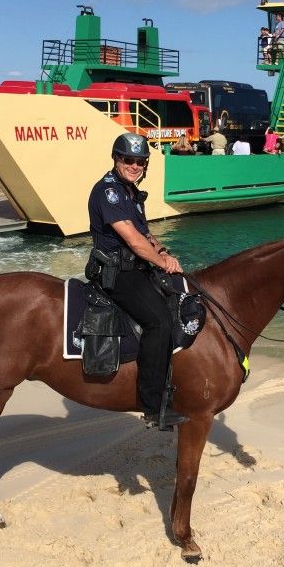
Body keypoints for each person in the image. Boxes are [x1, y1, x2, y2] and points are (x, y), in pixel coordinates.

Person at [87, 134, 187, 431]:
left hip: (136, 268)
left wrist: (166, 253)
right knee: (160, 322)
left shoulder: (129, 191)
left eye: (140, 161)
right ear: (116, 159)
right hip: (117, 273)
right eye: (127, 160)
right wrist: (161, 262)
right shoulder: (109, 193)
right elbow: (132, 241)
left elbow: (146, 236)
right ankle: (153, 405)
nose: (134, 166)